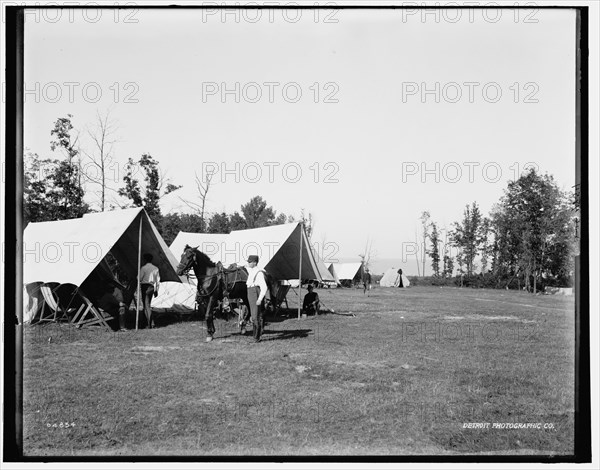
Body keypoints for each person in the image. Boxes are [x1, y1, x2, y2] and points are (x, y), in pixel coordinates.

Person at [245, 254, 267, 342]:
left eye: (250, 262)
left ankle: (256, 337)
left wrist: (259, 299)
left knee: (255, 316)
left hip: (255, 293)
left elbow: (264, 288)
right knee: (253, 316)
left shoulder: (259, 273)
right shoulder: (252, 270)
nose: (248, 263)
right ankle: (255, 336)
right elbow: (247, 268)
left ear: (254, 263)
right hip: (250, 292)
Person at [140, 253, 160, 329]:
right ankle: (147, 322)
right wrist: (156, 290)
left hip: (145, 286)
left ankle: (151, 323)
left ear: (145, 260)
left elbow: (139, 278)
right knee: (147, 305)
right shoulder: (156, 268)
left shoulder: (144, 268)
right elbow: (158, 281)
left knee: (146, 305)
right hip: (152, 287)